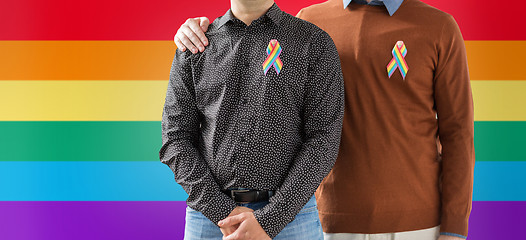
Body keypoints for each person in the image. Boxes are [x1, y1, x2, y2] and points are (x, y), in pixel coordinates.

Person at [173, 0, 475, 240]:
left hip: (416, 222)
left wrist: (454, 228)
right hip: (327, 218)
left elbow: (458, 133)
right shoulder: (311, 21)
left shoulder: (438, 27)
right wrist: (196, 30)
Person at [160, 0, 345, 239]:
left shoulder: (313, 43)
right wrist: (221, 210)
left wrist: (271, 219)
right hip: (208, 219)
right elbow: (175, 139)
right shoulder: (196, 46)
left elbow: (324, 140)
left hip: (292, 218)